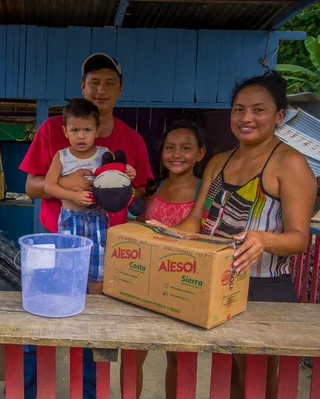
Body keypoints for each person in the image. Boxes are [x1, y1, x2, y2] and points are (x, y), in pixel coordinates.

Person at [150, 70, 316, 399]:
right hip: (215, 282)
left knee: (257, 383)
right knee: (228, 380)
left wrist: (265, 239)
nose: (246, 118)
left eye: (258, 109)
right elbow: (197, 219)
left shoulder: (290, 164)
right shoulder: (218, 163)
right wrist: (169, 234)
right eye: (239, 109)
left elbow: (300, 238)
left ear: (279, 115)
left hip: (264, 289)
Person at [20, 53, 153, 398]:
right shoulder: (53, 131)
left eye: (110, 83)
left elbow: (140, 191)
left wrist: (121, 185)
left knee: (96, 320)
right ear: (82, 86)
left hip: (106, 242)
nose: (101, 89)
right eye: (94, 81)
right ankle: (33, 391)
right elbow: (32, 186)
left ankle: (90, 393)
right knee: (42, 316)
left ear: (120, 89)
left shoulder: (130, 139)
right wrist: (70, 183)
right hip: (55, 238)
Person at [137, 119, 206, 399]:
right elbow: (140, 226)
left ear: (200, 153)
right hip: (147, 284)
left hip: (184, 287)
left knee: (179, 358)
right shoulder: (155, 189)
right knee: (134, 352)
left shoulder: (206, 193)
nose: (177, 154)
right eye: (170, 148)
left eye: (186, 148)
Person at [45, 98, 136, 291]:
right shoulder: (62, 156)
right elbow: (49, 186)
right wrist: (73, 196)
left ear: (97, 131)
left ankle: (95, 308)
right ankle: (69, 301)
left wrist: (129, 173)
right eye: (75, 130)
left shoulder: (105, 154)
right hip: (71, 218)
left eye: (87, 130)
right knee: (68, 265)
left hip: (98, 218)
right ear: (65, 131)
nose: (81, 136)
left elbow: (116, 179)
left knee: (98, 266)